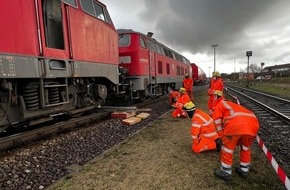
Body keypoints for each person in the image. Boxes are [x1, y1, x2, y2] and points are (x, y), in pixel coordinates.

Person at [211, 91, 260, 181]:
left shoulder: (222, 104)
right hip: (253, 126)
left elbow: (216, 120)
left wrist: (221, 135)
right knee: (246, 148)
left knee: (227, 149)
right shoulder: (239, 107)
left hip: (235, 127)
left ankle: (226, 172)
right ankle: (244, 170)